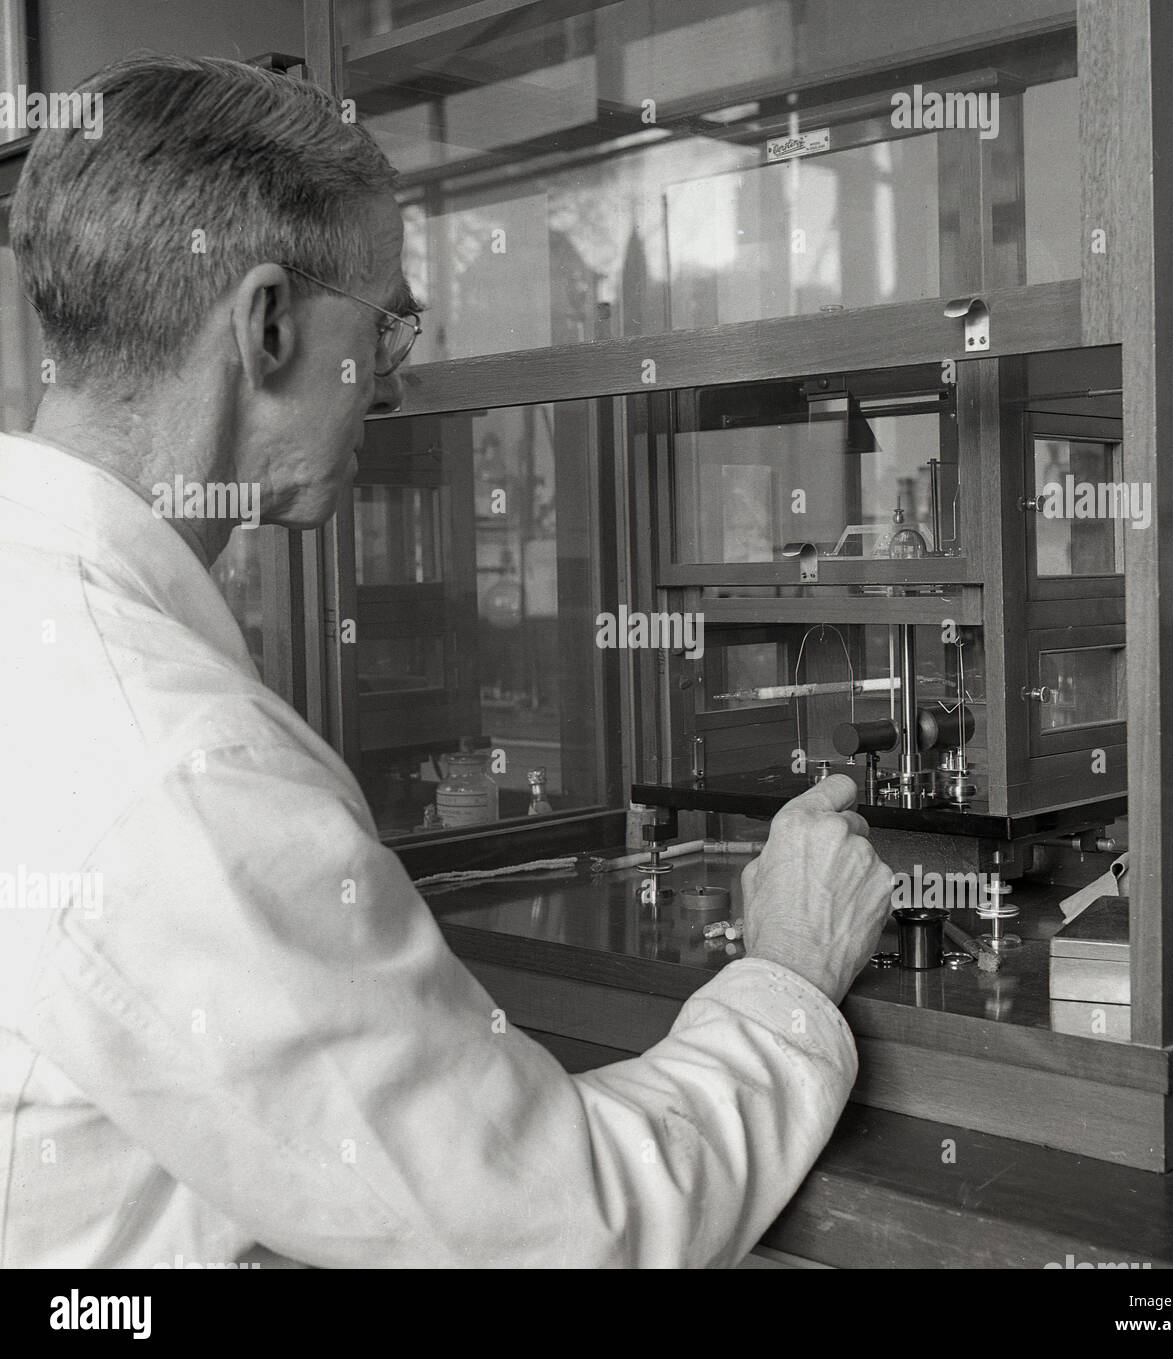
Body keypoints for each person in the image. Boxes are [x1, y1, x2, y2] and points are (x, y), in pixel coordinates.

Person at [0, 54, 891, 1268]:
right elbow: (550, 1231)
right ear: (266, 325)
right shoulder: (179, 771)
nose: (399, 376)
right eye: (386, 322)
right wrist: (788, 972)